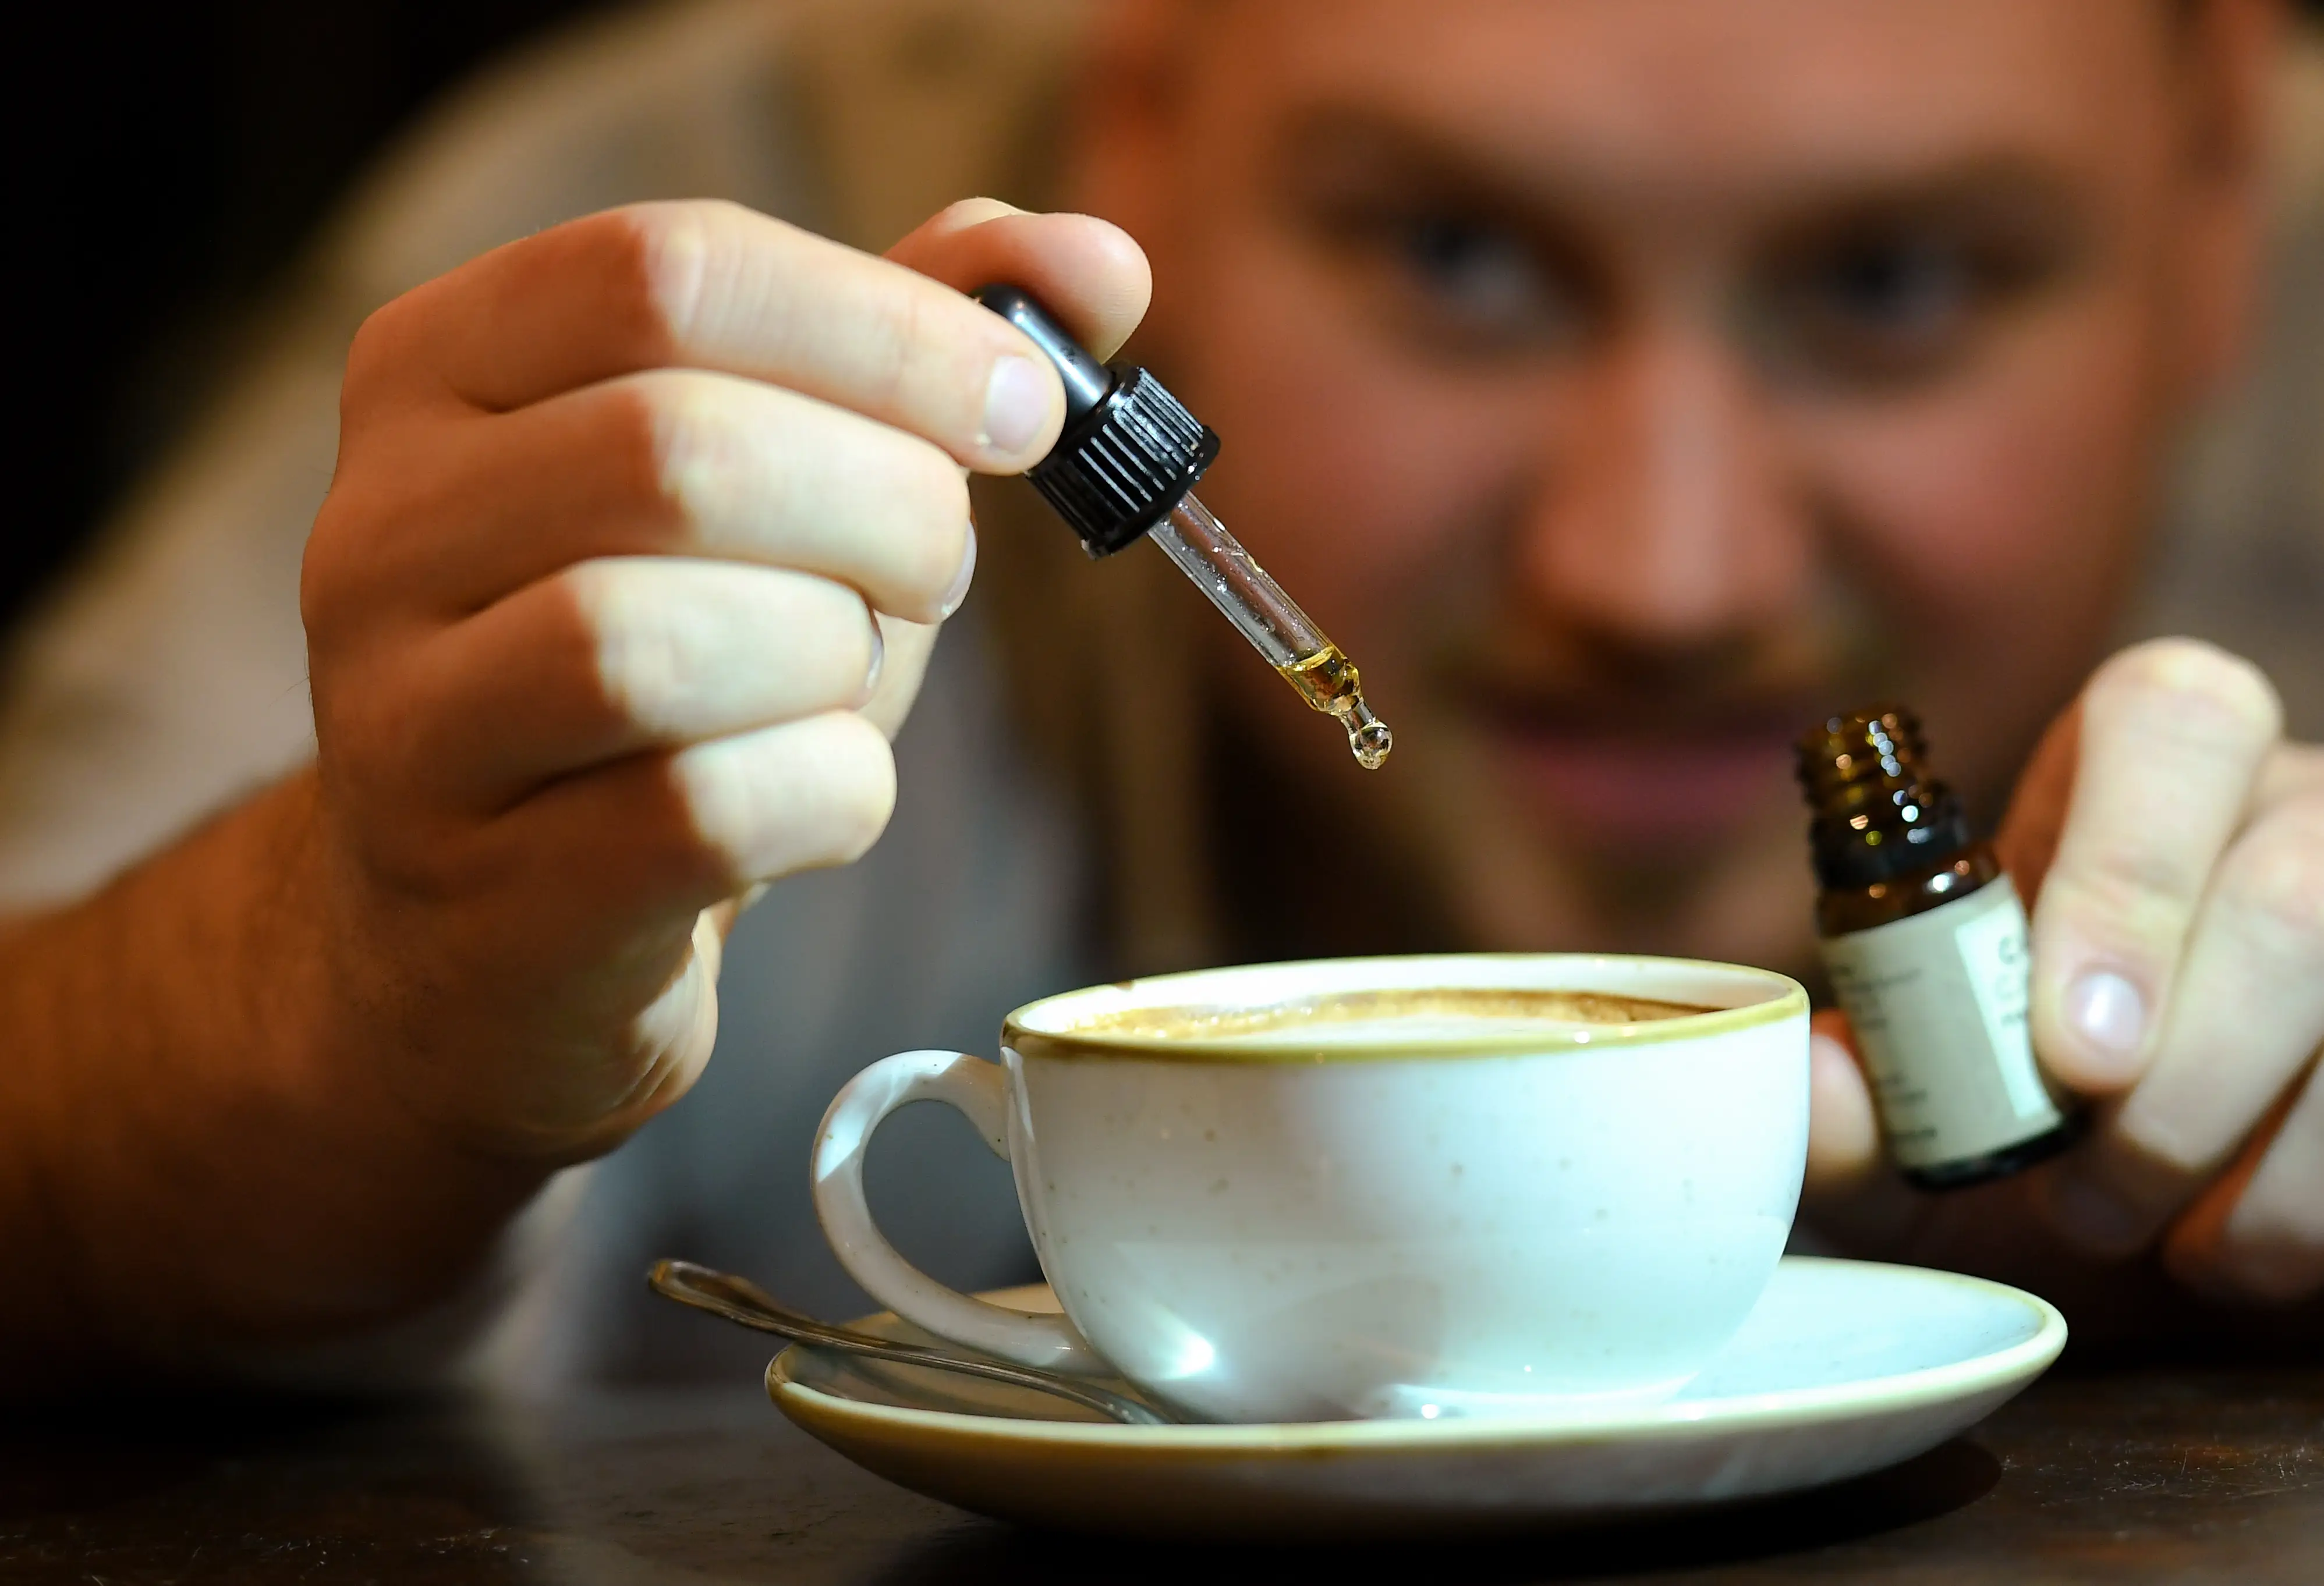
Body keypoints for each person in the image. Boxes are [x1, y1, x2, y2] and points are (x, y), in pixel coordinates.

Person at [1, 0, 2319, 1394]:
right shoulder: (698, 247)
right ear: (1132, 104)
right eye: (1452, 254)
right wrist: (348, 998)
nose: (1656, 574)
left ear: (2221, 173)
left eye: (1893, 279)